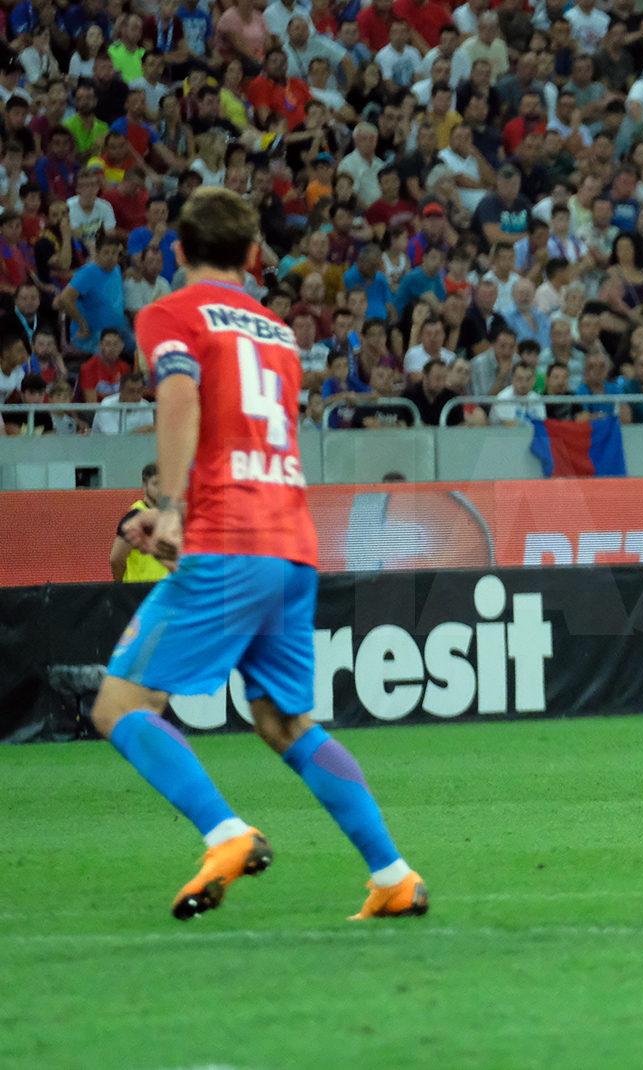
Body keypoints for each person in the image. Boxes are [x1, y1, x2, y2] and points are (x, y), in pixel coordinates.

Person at [98, 187, 427, 923]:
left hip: (225, 537)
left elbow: (180, 396)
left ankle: (227, 834)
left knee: (121, 704)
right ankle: (394, 875)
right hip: (290, 541)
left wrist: (174, 510)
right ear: (254, 258)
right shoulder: (277, 331)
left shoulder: (168, 314)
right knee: (283, 721)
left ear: (175, 252)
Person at [111, 463, 176, 583]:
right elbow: (116, 560)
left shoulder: (173, 516)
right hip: (141, 592)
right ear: (144, 486)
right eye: (156, 483)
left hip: (167, 591)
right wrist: (122, 588)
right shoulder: (135, 517)